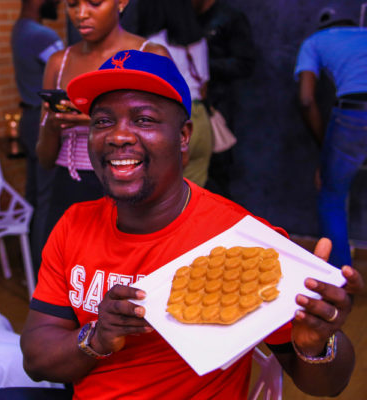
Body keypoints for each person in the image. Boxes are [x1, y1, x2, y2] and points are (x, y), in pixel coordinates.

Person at [20, 50, 363, 398]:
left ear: (184, 136)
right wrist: (97, 337)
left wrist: (317, 344)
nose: (118, 136)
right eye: (103, 122)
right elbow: (36, 360)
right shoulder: (74, 224)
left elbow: (329, 385)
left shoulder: (244, 241)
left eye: (143, 120)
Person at [35, 0, 169, 239]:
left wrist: (95, 121)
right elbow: (45, 160)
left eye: (95, 3)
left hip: (131, 186)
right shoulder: (59, 62)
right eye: (72, 4)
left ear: (122, 2)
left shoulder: (150, 55)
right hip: (70, 188)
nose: (81, 14)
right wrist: (52, 127)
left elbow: (169, 140)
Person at [295, 6, 367, 269]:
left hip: (353, 114)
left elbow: (306, 99)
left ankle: (340, 278)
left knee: (332, 197)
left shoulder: (314, 42)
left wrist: (325, 149)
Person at [11, 0, 64, 273]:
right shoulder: (42, 35)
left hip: (28, 120)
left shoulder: (19, 29)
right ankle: (43, 273)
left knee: (35, 197)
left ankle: (31, 271)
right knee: (48, 199)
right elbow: (69, 75)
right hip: (43, 121)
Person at [136, 0, 213, 187]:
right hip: (200, 118)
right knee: (196, 191)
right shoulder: (198, 40)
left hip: (170, 121)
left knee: (162, 191)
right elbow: (203, 87)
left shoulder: (151, 45)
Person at [192, 0, 255, 198]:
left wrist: (200, 64)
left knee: (217, 171)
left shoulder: (229, 17)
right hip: (187, 106)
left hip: (217, 107)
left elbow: (245, 64)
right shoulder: (183, 17)